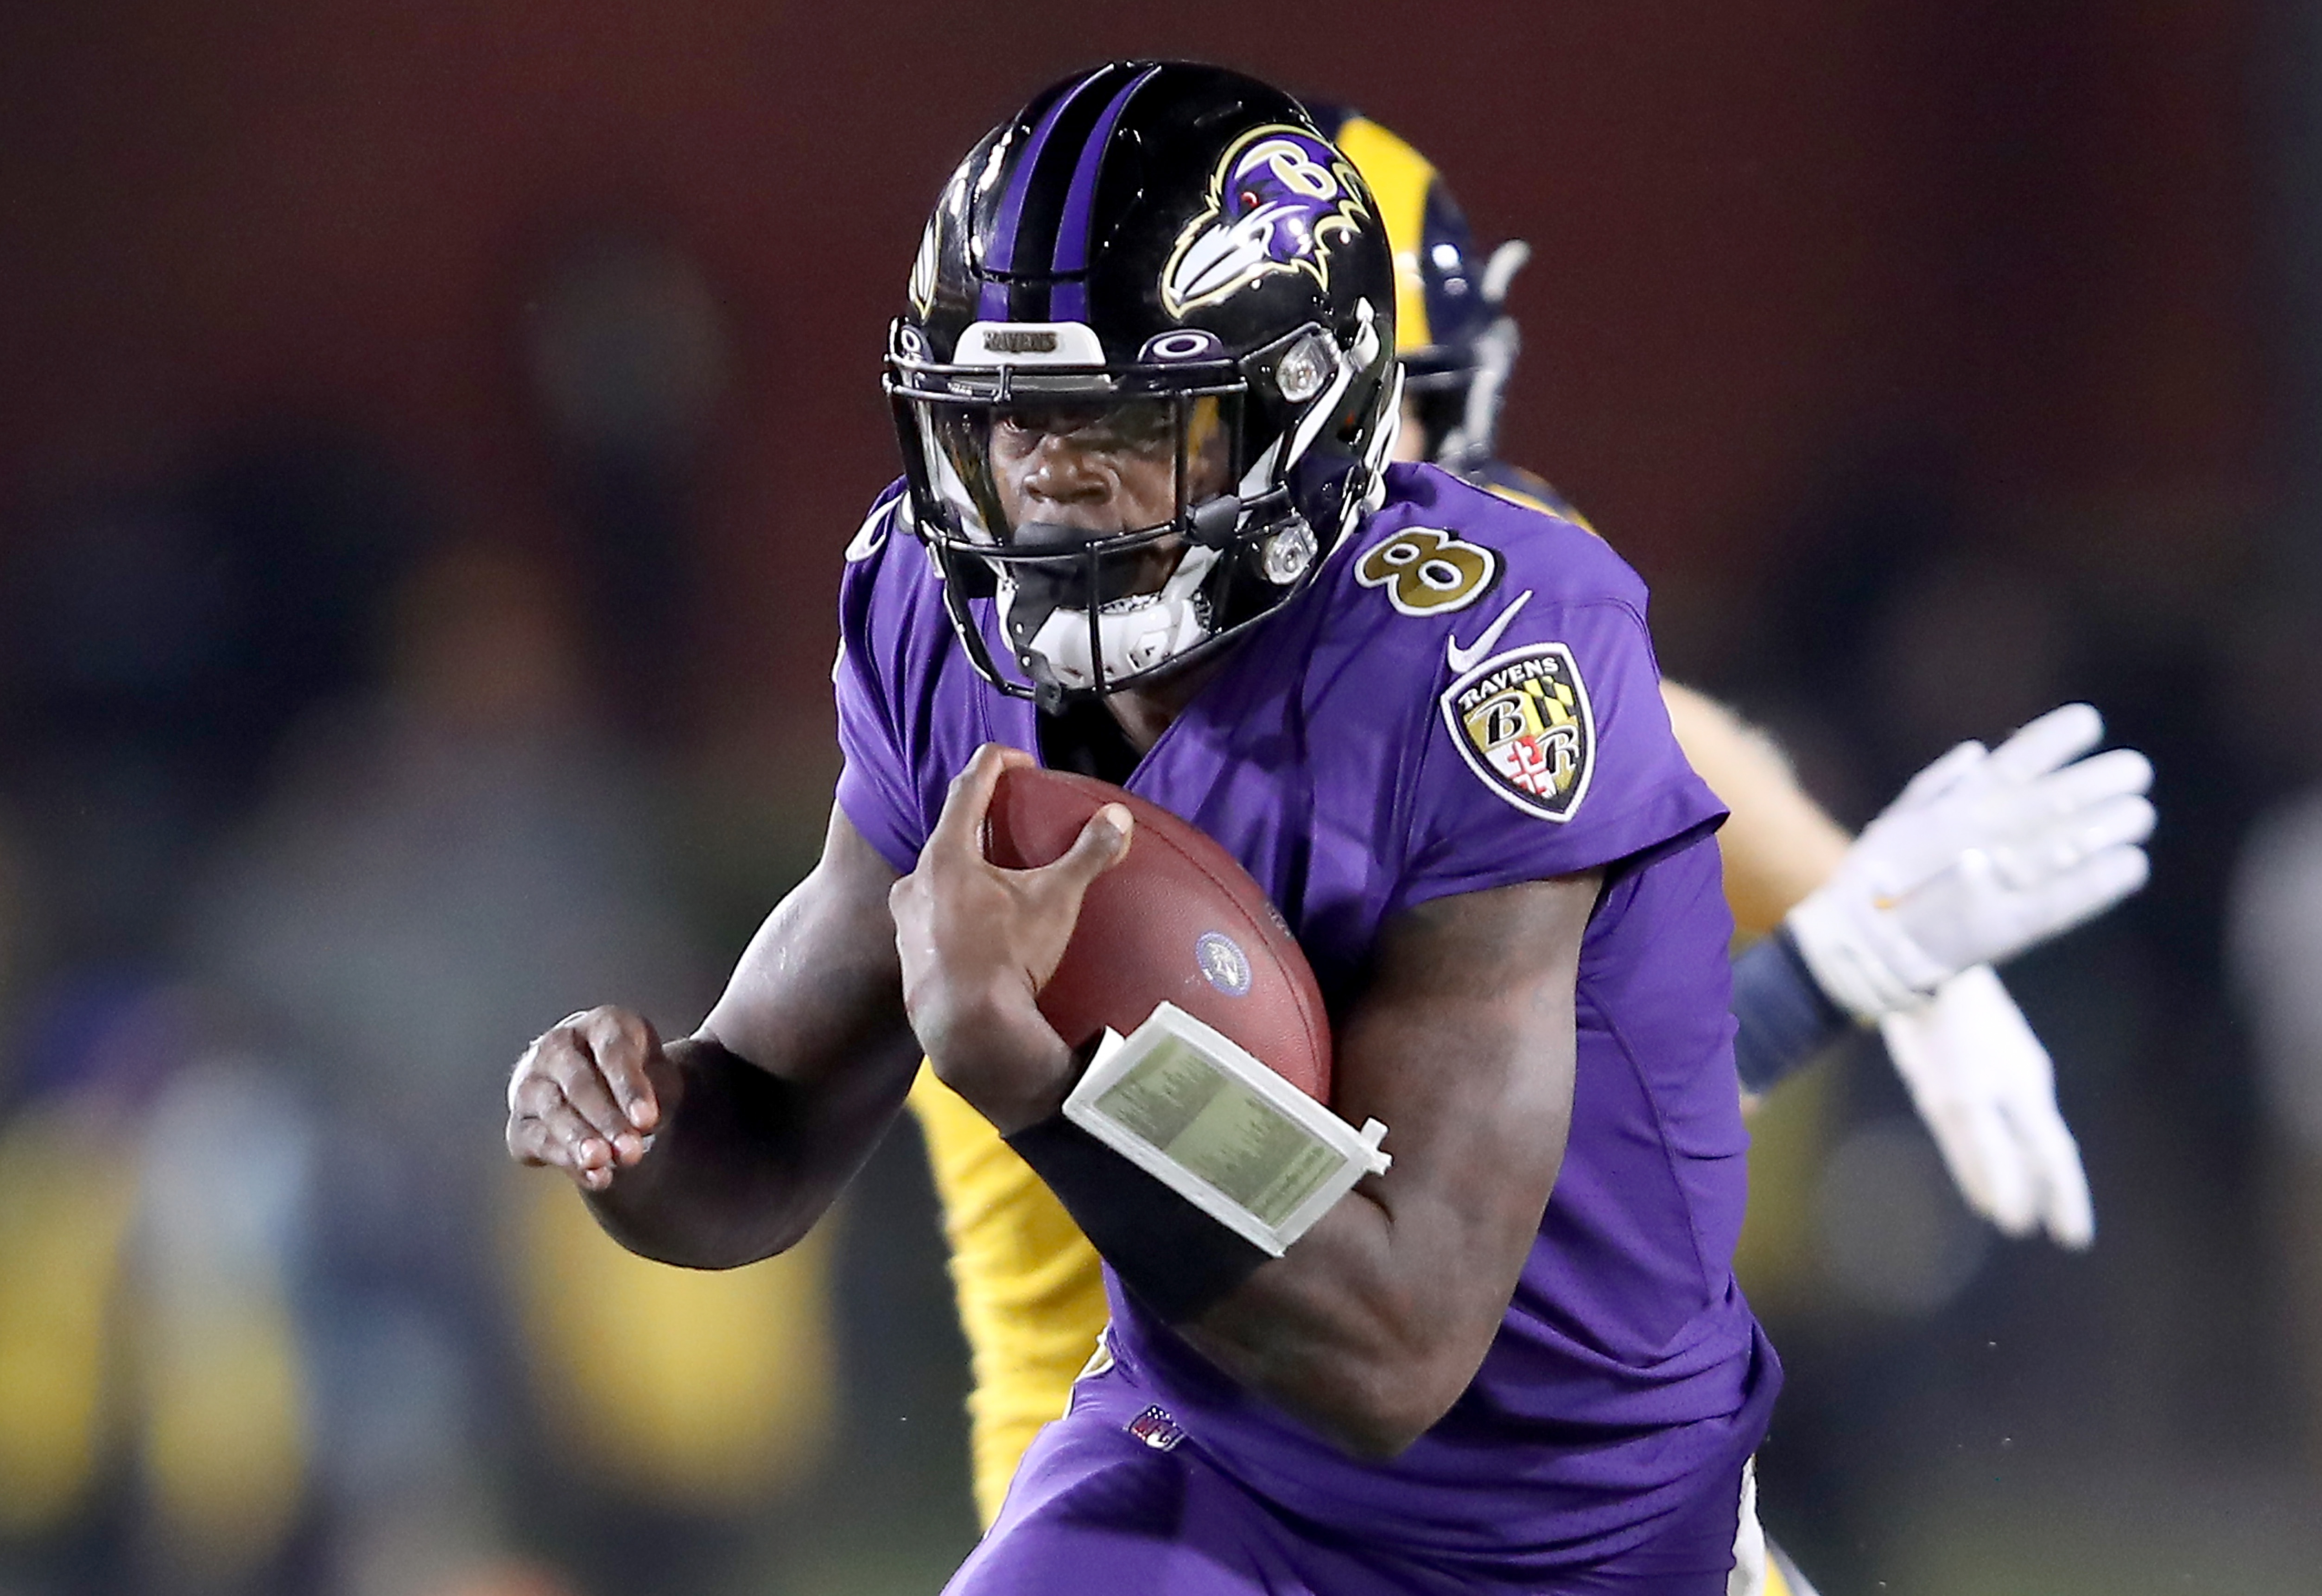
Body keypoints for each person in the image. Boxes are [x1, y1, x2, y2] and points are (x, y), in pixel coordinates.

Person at [505, 64, 2146, 1592]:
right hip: (1205, 1459)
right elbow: (755, 1150)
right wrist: (636, 1126)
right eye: (1008, 421)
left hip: (1569, 1531)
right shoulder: (937, 620)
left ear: (1299, 418)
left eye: (1130, 427)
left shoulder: (1490, 652)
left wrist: (1047, 1080)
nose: (1051, 486)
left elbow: (1398, 1348)